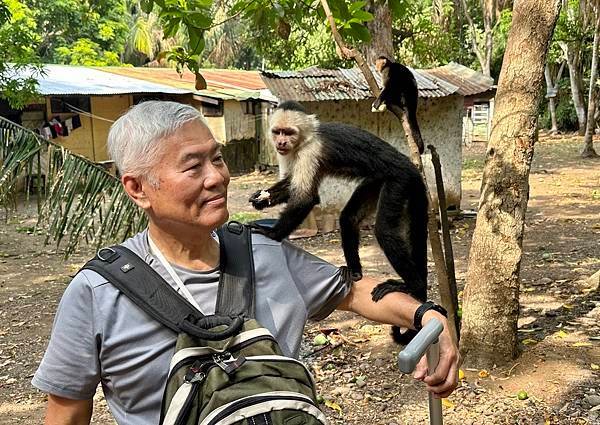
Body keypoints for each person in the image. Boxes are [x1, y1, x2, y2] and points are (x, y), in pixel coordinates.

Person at [32, 101, 459, 424]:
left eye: (216, 158)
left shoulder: (264, 251)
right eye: (193, 166)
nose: (217, 176)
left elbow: (352, 290)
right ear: (138, 188)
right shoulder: (97, 292)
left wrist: (425, 314)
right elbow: (67, 413)